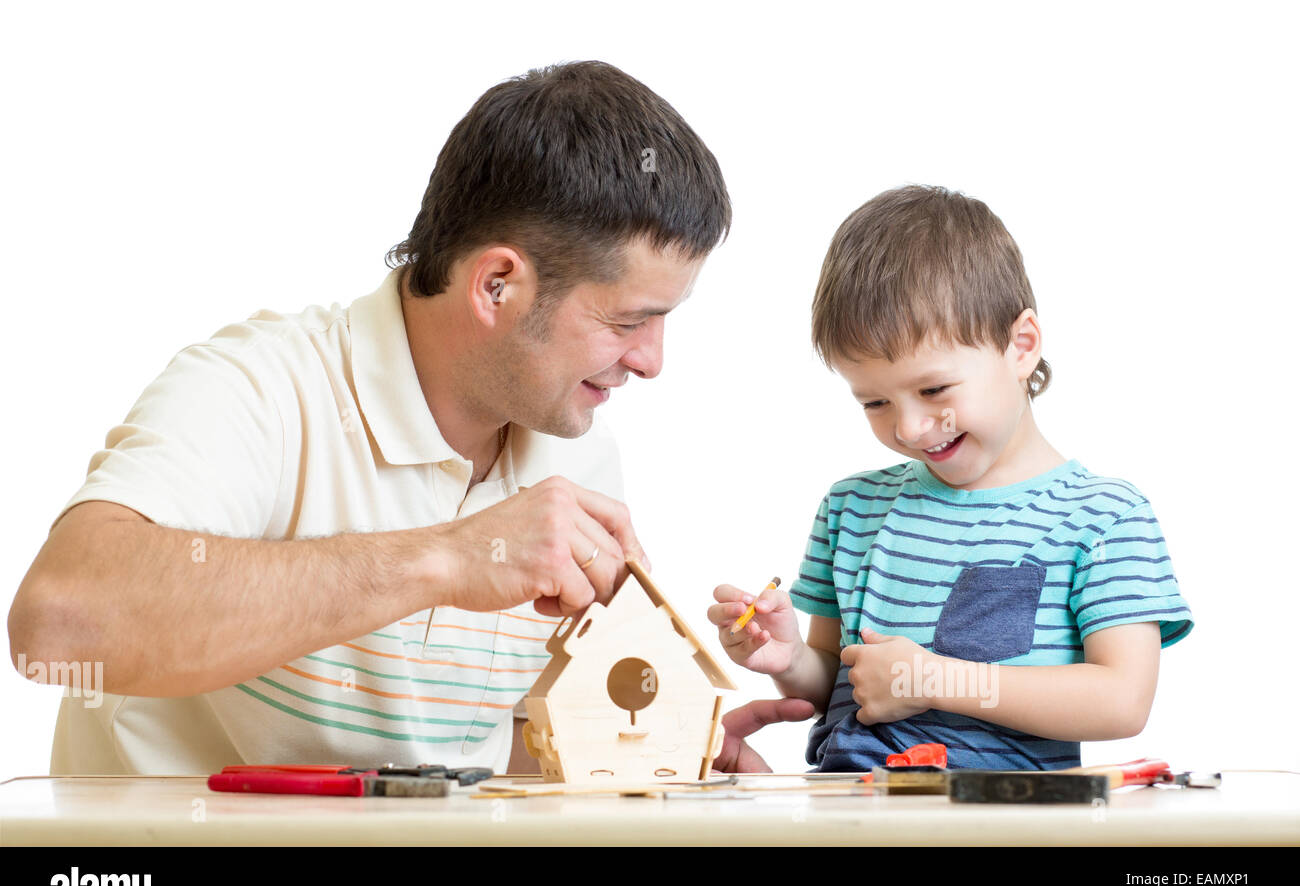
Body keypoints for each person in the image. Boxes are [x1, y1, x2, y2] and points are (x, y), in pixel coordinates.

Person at [7, 60, 732, 776]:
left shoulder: (578, 453)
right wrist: (449, 557)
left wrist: (663, 746)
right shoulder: (260, 389)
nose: (652, 361)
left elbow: (509, 754)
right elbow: (56, 623)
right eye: (630, 319)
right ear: (497, 284)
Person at [709, 184, 1194, 771]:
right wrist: (787, 659)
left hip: (999, 826)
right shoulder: (852, 508)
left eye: (933, 389)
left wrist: (935, 680)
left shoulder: (1104, 516)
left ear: (1021, 346)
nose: (910, 427)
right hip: (848, 812)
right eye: (874, 403)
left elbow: (1121, 701)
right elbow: (836, 688)